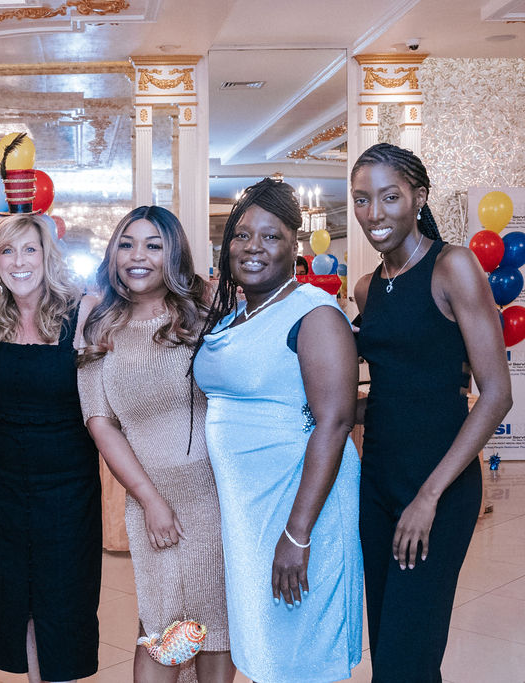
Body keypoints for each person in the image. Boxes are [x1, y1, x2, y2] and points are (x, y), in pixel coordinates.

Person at [351, 143, 512, 681]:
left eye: (389, 197)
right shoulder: (368, 288)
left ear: (418, 197)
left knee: (404, 662)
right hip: (377, 485)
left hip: (438, 489)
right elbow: (395, 392)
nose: (374, 213)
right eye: (362, 199)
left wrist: (428, 497)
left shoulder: (453, 267)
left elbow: (497, 394)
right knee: (394, 653)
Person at [192, 178, 363, 683]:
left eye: (271, 236)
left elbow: (335, 422)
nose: (253, 247)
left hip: (299, 503)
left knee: (299, 651)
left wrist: (297, 534)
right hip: (249, 508)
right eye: (242, 235)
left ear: (295, 244)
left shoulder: (315, 313)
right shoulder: (235, 314)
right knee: (266, 647)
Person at [77, 206, 233, 683]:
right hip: (150, 501)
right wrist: (151, 501)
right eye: (126, 244)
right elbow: (100, 423)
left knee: (217, 626)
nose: (137, 256)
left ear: (174, 253)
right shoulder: (99, 324)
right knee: (160, 628)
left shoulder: (206, 316)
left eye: (153, 245)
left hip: (216, 496)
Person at [0, 214, 101, 683]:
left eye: (29, 249)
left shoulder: (83, 311)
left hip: (68, 481)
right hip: (5, 479)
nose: (19, 261)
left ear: (48, 257)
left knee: (63, 600)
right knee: (17, 598)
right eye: (7, 251)